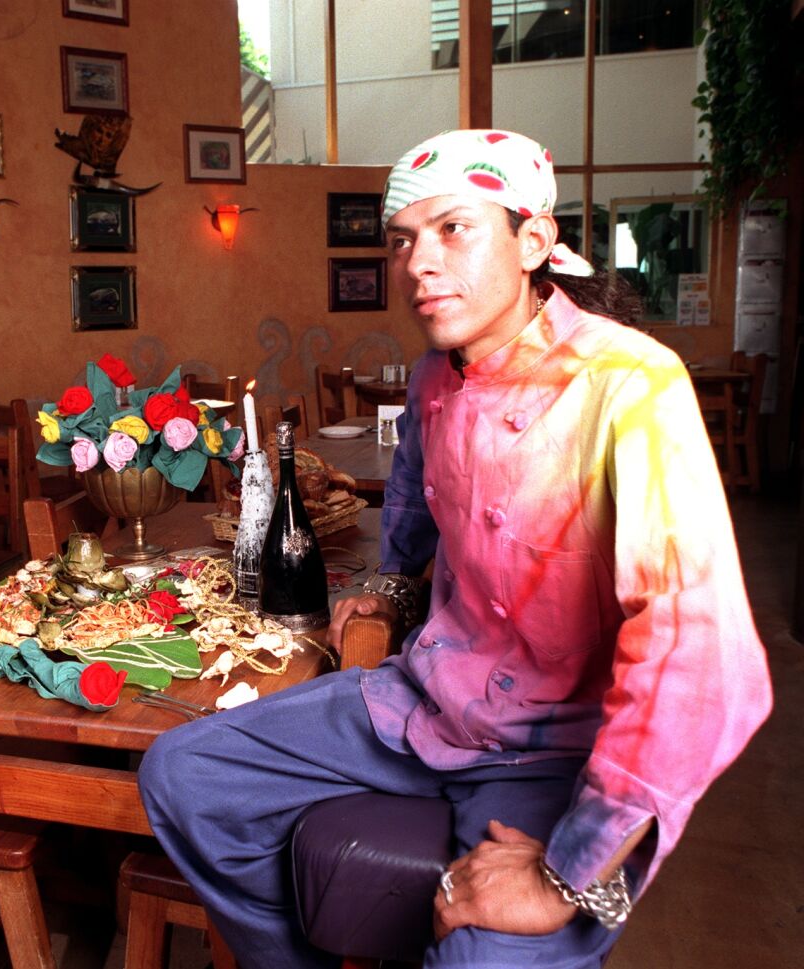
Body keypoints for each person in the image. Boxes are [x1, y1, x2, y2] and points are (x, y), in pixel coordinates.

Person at [137, 129, 773, 968]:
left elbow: (705, 666)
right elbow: (414, 506)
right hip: (423, 704)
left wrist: (561, 878)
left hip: (553, 748)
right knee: (182, 776)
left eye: (454, 229)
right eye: (403, 239)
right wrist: (395, 589)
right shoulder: (435, 377)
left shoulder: (631, 384)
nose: (417, 264)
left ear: (534, 240)